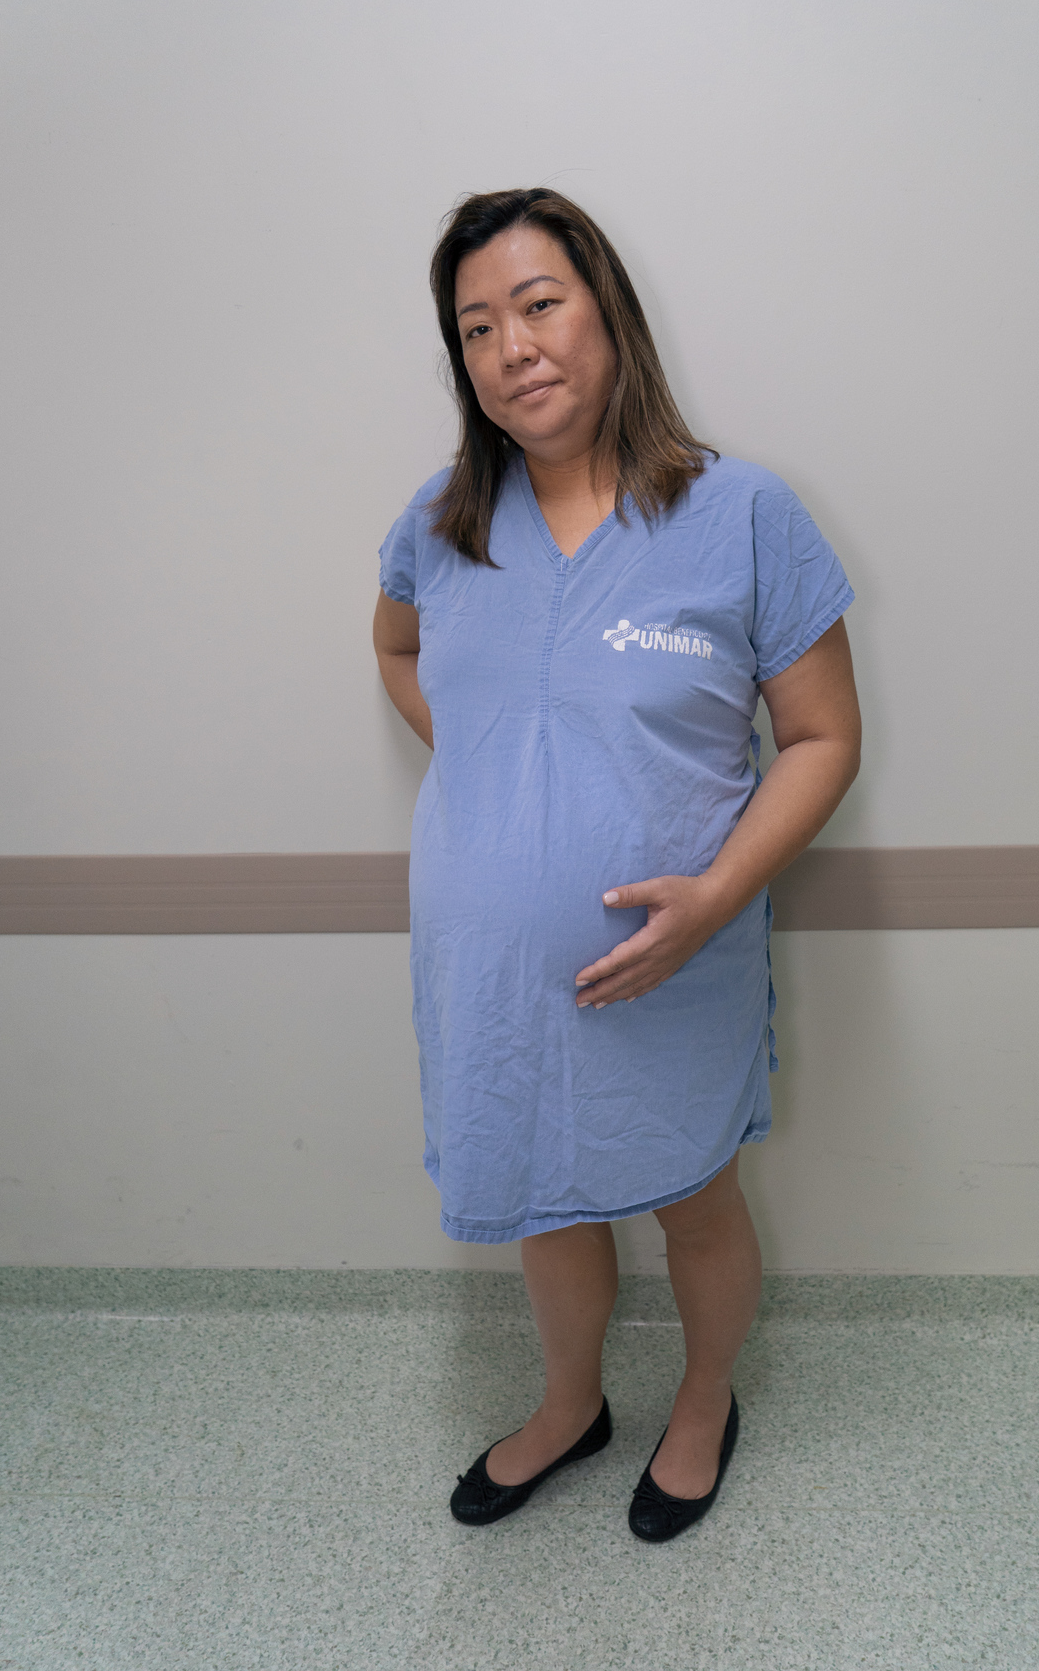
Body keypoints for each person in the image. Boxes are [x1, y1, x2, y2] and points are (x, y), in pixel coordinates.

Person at [373, 188, 861, 1542]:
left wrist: (715, 898)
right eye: (477, 327)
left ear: (608, 314)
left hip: (674, 963)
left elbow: (824, 738)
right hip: (491, 975)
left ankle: (702, 1401)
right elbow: (399, 649)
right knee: (546, 1201)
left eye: (539, 305)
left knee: (693, 1202)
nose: (512, 347)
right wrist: (485, 759)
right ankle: (571, 1403)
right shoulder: (445, 523)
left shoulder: (740, 512)